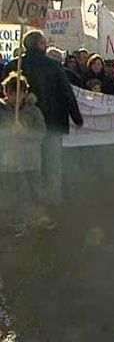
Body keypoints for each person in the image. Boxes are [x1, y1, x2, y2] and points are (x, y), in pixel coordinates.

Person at [4, 30, 83, 207]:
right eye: (44, 42)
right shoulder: (53, 66)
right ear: (40, 44)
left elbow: (4, 94)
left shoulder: (13, 66)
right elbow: (66, 92)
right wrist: (76, 117)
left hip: (22, 126)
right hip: (52, 123)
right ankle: (52, 200)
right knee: (52, 164)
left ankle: (30, 202)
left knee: (27, 166)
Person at [0, 73, 51, 236]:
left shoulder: (33, 111)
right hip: (9, 161)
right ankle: (16, 222)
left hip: (30, 160)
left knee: (34, 191)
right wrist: (9, 133)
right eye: (12, 92)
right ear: (5, 92)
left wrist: (24, 133)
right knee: (13, 192)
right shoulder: (1, 111)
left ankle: (38, 219)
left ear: (25, 93)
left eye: (20, 92)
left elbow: (41, 133)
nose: (16, 96)